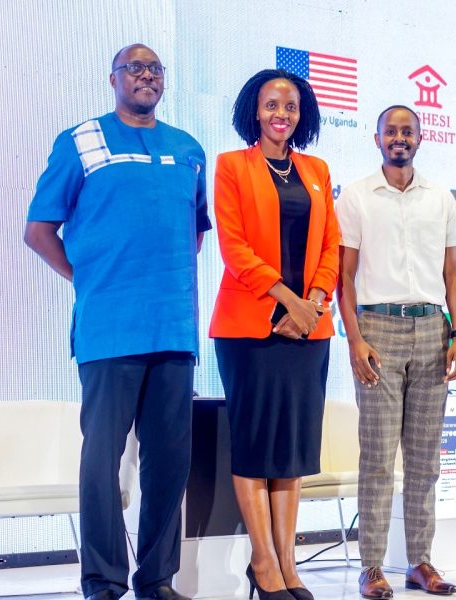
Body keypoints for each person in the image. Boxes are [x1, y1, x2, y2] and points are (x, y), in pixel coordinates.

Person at [24, 44, 208, 600]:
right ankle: (102, 582)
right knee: (101, 462)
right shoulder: (80, 140)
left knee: (168, 464)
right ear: (113, 79)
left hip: (173, 329)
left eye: (155, 69)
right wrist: (88, 279)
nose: (146, 76)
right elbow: (38, 231)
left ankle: (157, 580)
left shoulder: (189, 149)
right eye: (135, 68)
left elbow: (194, 234)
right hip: (109, 330)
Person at [209, 68, 340, 600]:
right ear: (254, 111)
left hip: (308, 330)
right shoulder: (232, 166)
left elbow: (331, 245)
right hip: (250, 327)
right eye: (271, 105)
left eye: (290, 106)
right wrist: (289, 299)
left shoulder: (316, 170)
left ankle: (288, 564)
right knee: (256, 445)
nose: (281, 114)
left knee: (292, 450)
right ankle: (262, 562)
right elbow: (234, 248)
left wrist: (314, 304)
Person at [336, 105, 456, 599]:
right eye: (390, 131)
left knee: (425, 459)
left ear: (420, 137)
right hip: (377, 329)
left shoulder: (441, 198)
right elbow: (344, 276)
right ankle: (371, 566)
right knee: (377, 457)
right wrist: (355, 338)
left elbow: (454, 273)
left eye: (407, 131)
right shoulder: (356, 196)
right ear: (377, 139)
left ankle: (420, 562)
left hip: (433, 329)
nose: (399, 138)